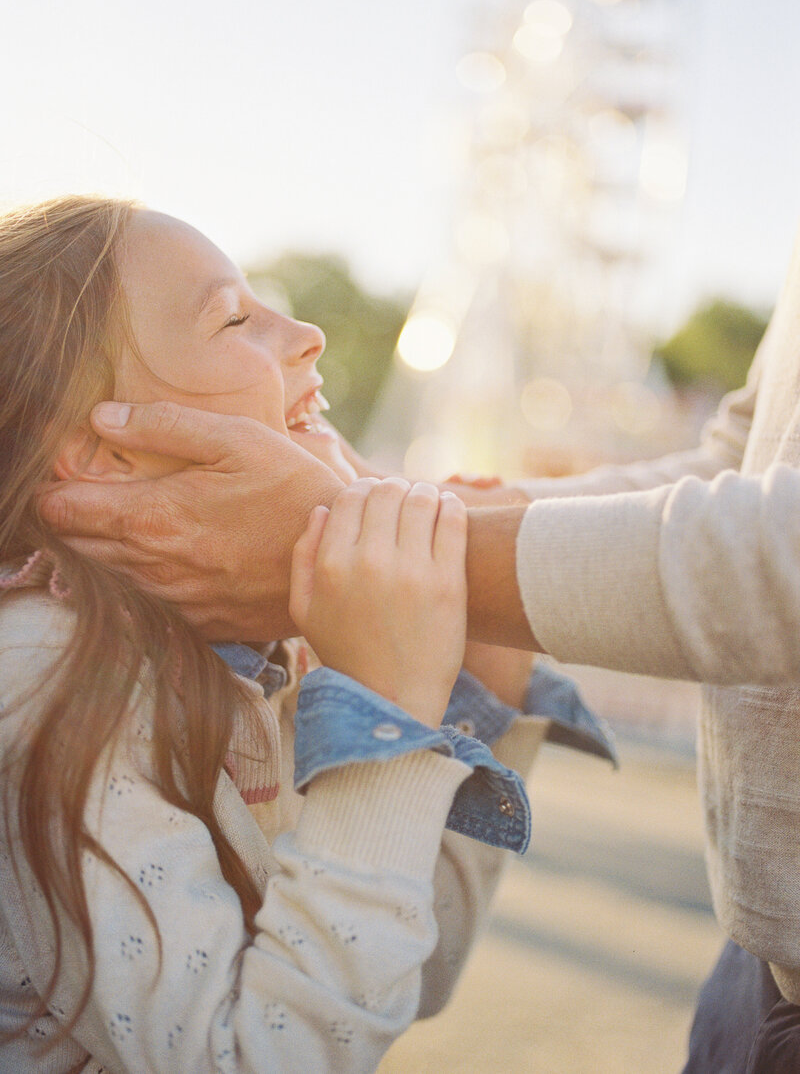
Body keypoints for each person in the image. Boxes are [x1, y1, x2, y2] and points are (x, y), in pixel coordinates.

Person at [43, 209, 800, 1070]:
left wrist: (470, 663)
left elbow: (399, 961)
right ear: (107, 449)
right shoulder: (49, 680)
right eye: (234, 317)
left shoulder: (249, 650)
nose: (312, 333)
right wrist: (392, 683)